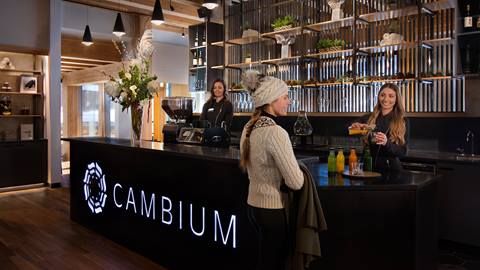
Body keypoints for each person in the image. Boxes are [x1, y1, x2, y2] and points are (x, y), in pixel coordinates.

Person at [239, 70, 304, 270]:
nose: (289, 101)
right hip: (273, 210)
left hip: (253, 206)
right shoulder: (276, 132)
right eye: (285, 97)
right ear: (271, 100)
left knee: (264, 260)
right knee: (274, 263)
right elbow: (296, 182)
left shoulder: (249, 126)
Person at [350, 83, 408, 171]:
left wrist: (386, 143)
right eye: (382, 95)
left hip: (390, 171)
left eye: (391, 96)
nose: (385, 99)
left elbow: (402, 152)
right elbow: (346, 130)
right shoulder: (368, 118)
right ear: (378, 97)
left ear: (396, 99)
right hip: (367, 168)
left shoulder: (402, 121)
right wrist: (354, 127)